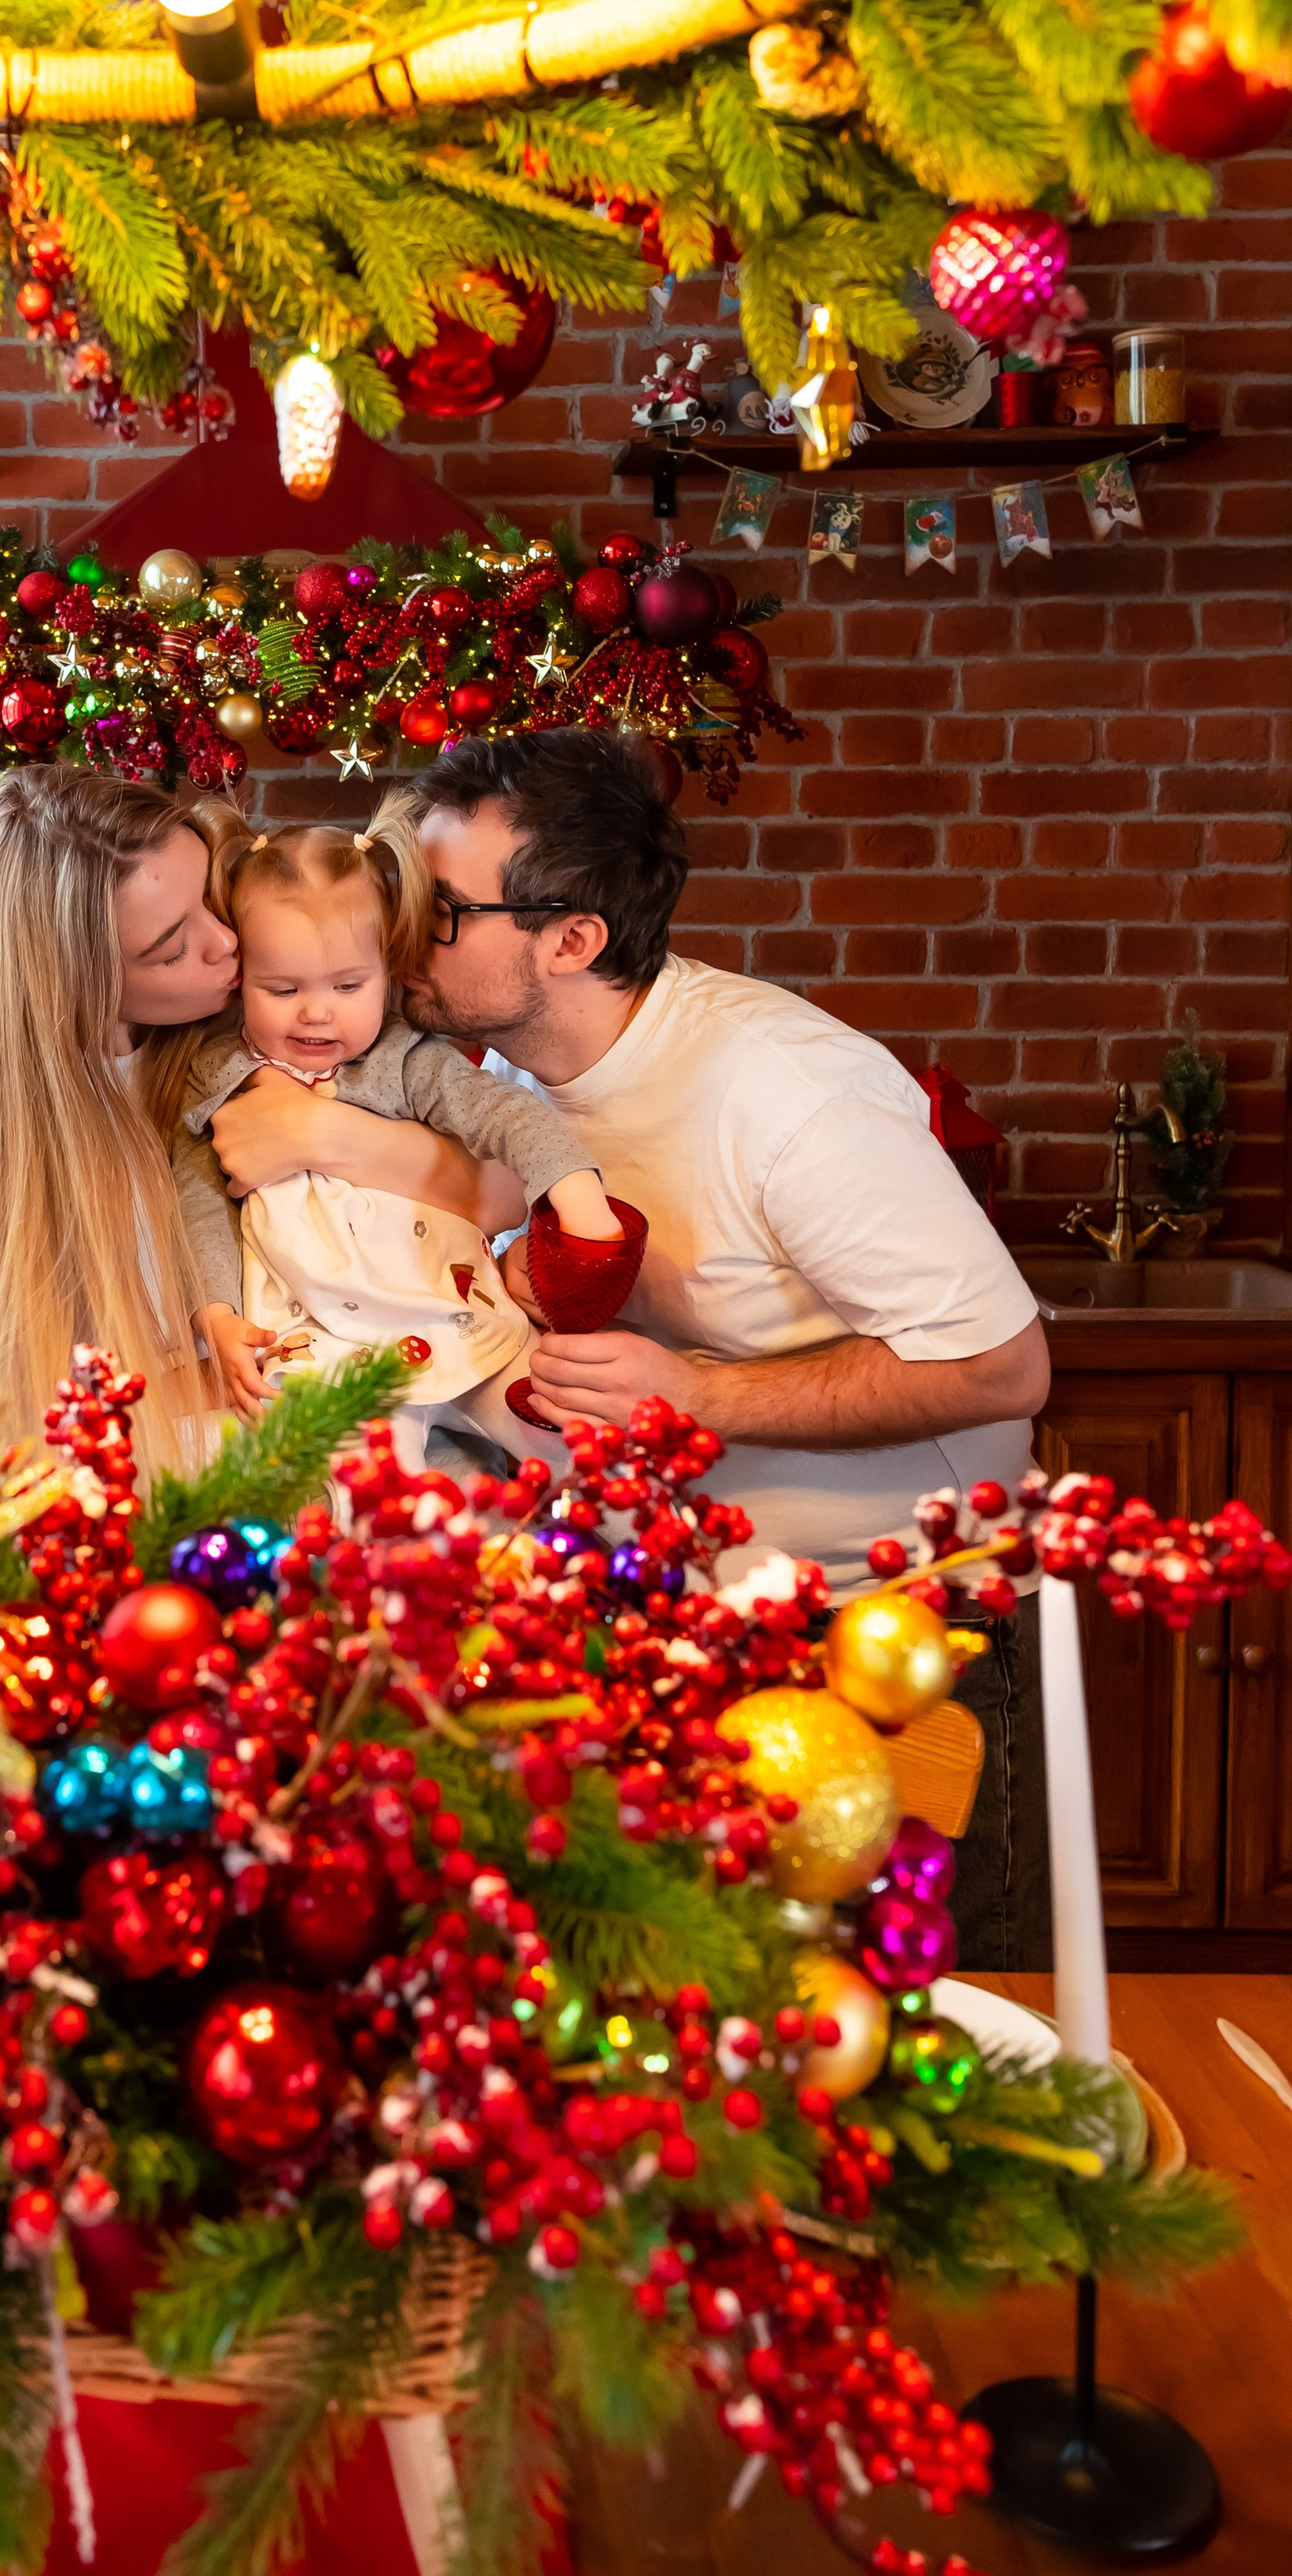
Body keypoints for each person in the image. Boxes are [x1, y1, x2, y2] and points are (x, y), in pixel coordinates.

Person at [208, 728, 1050, 1968]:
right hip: (675, 1626)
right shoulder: (498, 1074)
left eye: (441, 912)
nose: (402, 935)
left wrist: (699, 1394)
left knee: (933, 2039)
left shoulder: (786, 1089)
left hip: (889, 1637)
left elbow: (1003, 1367)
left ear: (569, 940)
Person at [0, 769, 507, 1480]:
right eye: (171, 948)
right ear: (72, 978)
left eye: (213, 904)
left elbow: (499, 1196)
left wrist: (314, 1134)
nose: (226, 945)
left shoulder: (247, 1033)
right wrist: (256, 1374)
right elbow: (10, 1412)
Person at [171, 808, 644, 1465]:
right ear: (239, 979)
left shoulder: (406, 1060)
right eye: (281, 988)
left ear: (388, 971)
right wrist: (215, 1314)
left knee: (570, 1429)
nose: (316, 1011)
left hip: (453, 1313)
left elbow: (505, 1115)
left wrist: (573, 1187)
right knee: (364, 1486)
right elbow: (198, 1205)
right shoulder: (218, 1077)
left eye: (348, 985)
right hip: (324, 1341)